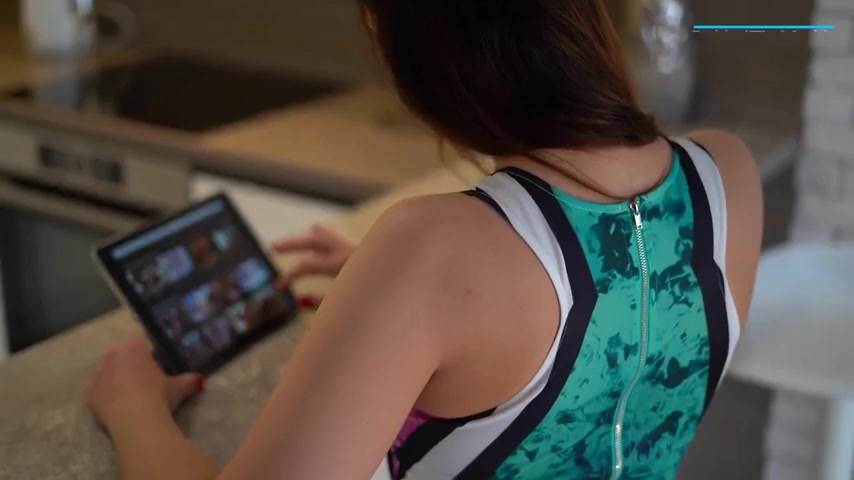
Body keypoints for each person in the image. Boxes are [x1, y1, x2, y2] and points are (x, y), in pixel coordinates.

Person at [84, 1, 764, 478]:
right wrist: (399, 309)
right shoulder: (727, 173)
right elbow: (623, 324)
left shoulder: (431, 251)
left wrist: (132, 405)